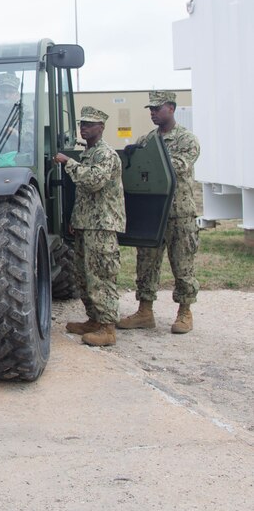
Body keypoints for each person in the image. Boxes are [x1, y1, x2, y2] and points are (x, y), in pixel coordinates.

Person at [118, 90, 201, 334]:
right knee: (146, 263)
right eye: (151, 109)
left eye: (157, 108)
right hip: (152, 212)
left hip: (179, 214)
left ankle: (185, 312)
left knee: (183, 264)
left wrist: (147, 160)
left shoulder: (187, 140)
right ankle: (145, 311)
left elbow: (177, 167)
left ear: (171, 109)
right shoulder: (147, 140)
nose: (153, 113)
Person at [53, 106, 125, 347]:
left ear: (101, 128)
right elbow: (83, 197)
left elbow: (93, 182)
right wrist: (76, 221)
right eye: (81, 124)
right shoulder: (89, 154)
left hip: (102, 227)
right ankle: (94, 319)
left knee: (101, 276)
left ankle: (107, 328)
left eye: (89, 124)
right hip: (87, 225)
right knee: (84, 276)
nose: (83, 128)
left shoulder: (106, 154)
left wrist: (68, 163)